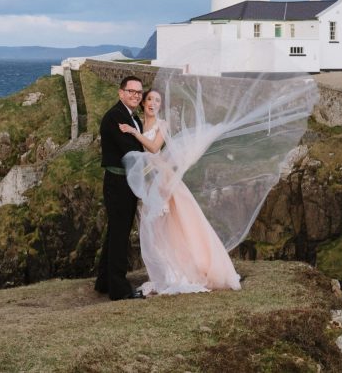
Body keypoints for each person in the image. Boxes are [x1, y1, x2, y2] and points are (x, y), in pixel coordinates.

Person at [121, 88, 240, 294]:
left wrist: (134, 133)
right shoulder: (138, 123)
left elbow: (154, 147)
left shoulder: (161, 124)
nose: (152, 103)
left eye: (157, 100)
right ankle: (164, 271)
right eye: (149, 99)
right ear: (143, 103)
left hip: (162, 178)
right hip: (147, 181)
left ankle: (181, 271)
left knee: (173, 224)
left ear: (160, 105)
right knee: (155, 229)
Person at [95, 75, 146, 300]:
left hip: (127, 182)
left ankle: (104, 281)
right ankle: (119, 289)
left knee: (115, 233)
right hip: (118, 182)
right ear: (121, 93)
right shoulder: (114, 117)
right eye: (131, 91)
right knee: (119, 235)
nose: (135, 95)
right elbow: (130, 151)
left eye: (138, 93)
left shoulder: (134, 119)